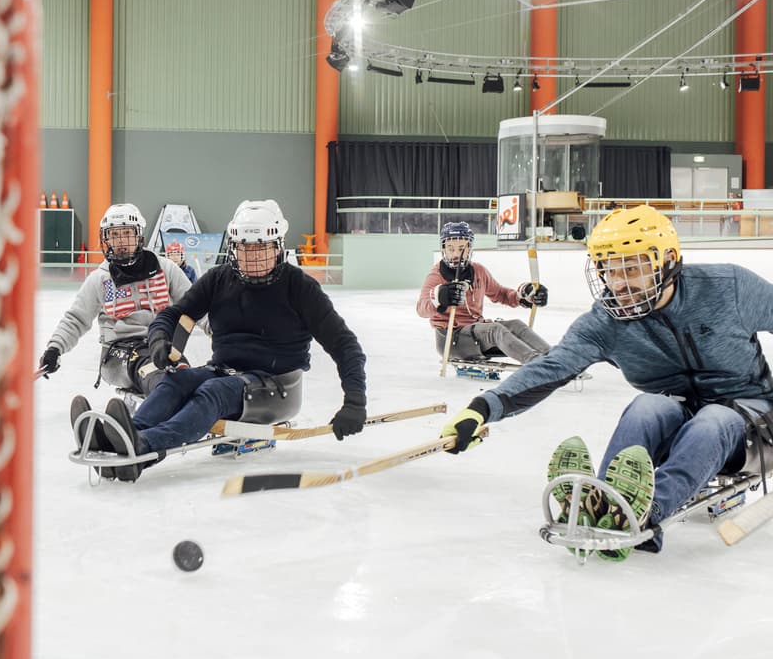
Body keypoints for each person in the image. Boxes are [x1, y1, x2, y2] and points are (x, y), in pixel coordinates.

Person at [441, 205, 773, 558]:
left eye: (632, 268)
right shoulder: (607, 322)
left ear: (668, 261)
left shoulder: (728, 287)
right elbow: (551, 367)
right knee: (647, 407)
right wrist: (482, 408)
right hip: (679, 415)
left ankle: (643, 514)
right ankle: (604, 503)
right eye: (610, 270)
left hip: (751, 424)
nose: (620, 283)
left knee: (713, 419)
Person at [85, 199, 367, 482]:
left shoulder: (300, 288)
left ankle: (144, 445)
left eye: (262, 248)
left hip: (278, 385)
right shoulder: (220, 279)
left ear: (278, 247)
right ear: (233, 248)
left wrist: (354, 401)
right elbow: (174, 314)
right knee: (176, 380)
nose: (253, 257)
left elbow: (344, 345)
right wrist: (160, 338)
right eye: (245, 248)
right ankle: (126, 434)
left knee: (214, 392)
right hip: (225, 370)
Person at [40, 203, 193, 398]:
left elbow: (196, 303)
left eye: (127, 233)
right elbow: (76, 319)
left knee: (186, 377)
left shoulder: (165, 269)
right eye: (114, 235)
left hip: (162, 345)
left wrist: (217, 330)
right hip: (118, 352)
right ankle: (155, 411)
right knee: (159, 379)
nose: (121, 241)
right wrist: (54, 348)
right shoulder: (100, 279)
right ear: (107, 239)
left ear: (139, 235)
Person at [417, 221, 551, 365]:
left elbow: (501, 294)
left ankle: (554, 357)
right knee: (495, 329)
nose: (456, 254)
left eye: (461, 248)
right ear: (443, 249)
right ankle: (537, 363)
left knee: (516, 325)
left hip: (476, 332)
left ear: (469, 249)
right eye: (451, 249)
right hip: (450, 338)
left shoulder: (478, 271)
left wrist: (523, 296)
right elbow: (421, 308)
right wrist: (438, 298)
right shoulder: (436, 275)